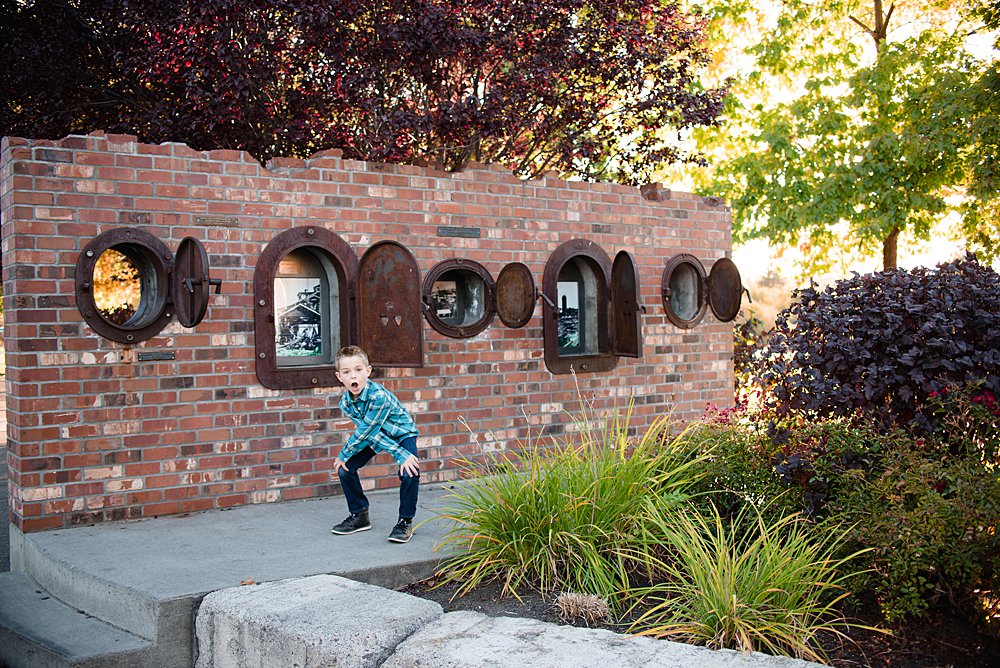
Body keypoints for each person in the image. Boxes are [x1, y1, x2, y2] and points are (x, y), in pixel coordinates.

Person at [330, 345, 420, 543]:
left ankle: (405, 521)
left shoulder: (378, 396)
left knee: (410, 470)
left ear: (368, 371)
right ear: (339, 377)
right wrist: (346, 456)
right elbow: (369, 433)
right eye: (347, 372)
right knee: (346, 469)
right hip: (374, 434)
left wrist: (401, 455)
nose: (353, 376)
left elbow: (367, 431)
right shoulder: (346, 403)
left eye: (358, 370)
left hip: (401, 433)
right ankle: (360, 515)